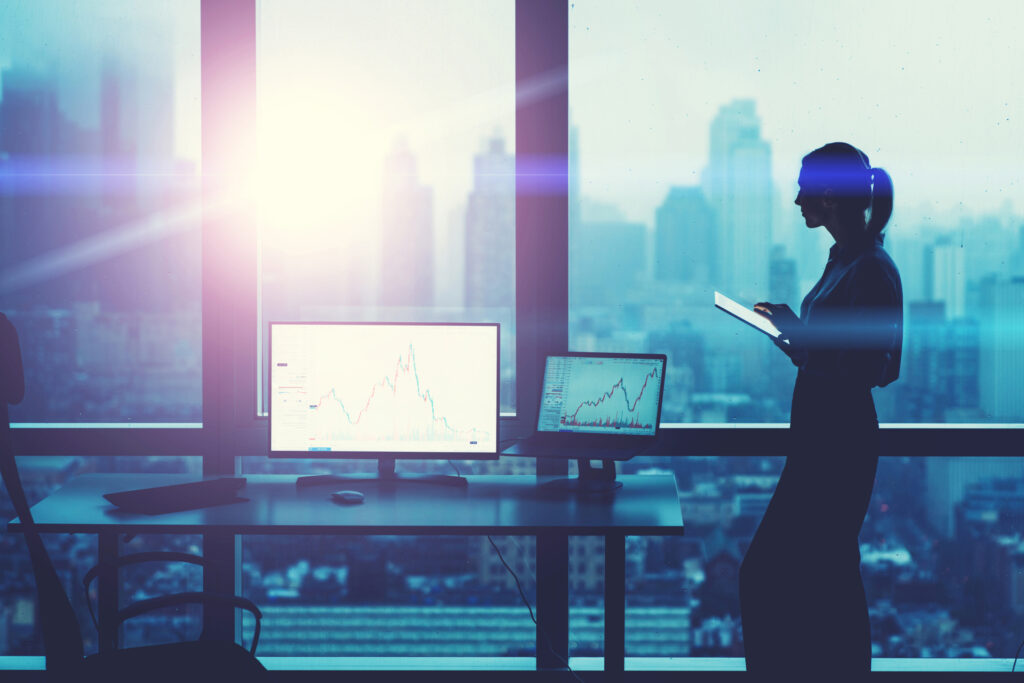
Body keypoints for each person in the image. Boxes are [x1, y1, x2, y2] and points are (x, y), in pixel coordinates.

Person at [739, 142, 903, 679]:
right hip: (818, 441)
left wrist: (804, 339)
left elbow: (878, 365)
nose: (796, 200)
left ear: (830, 196)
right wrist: (798, 337)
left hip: (838, 443)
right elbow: (836, 355)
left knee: (777, 574)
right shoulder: (846, 262)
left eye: (805, 188)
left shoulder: (872, 269)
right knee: (824, 576)